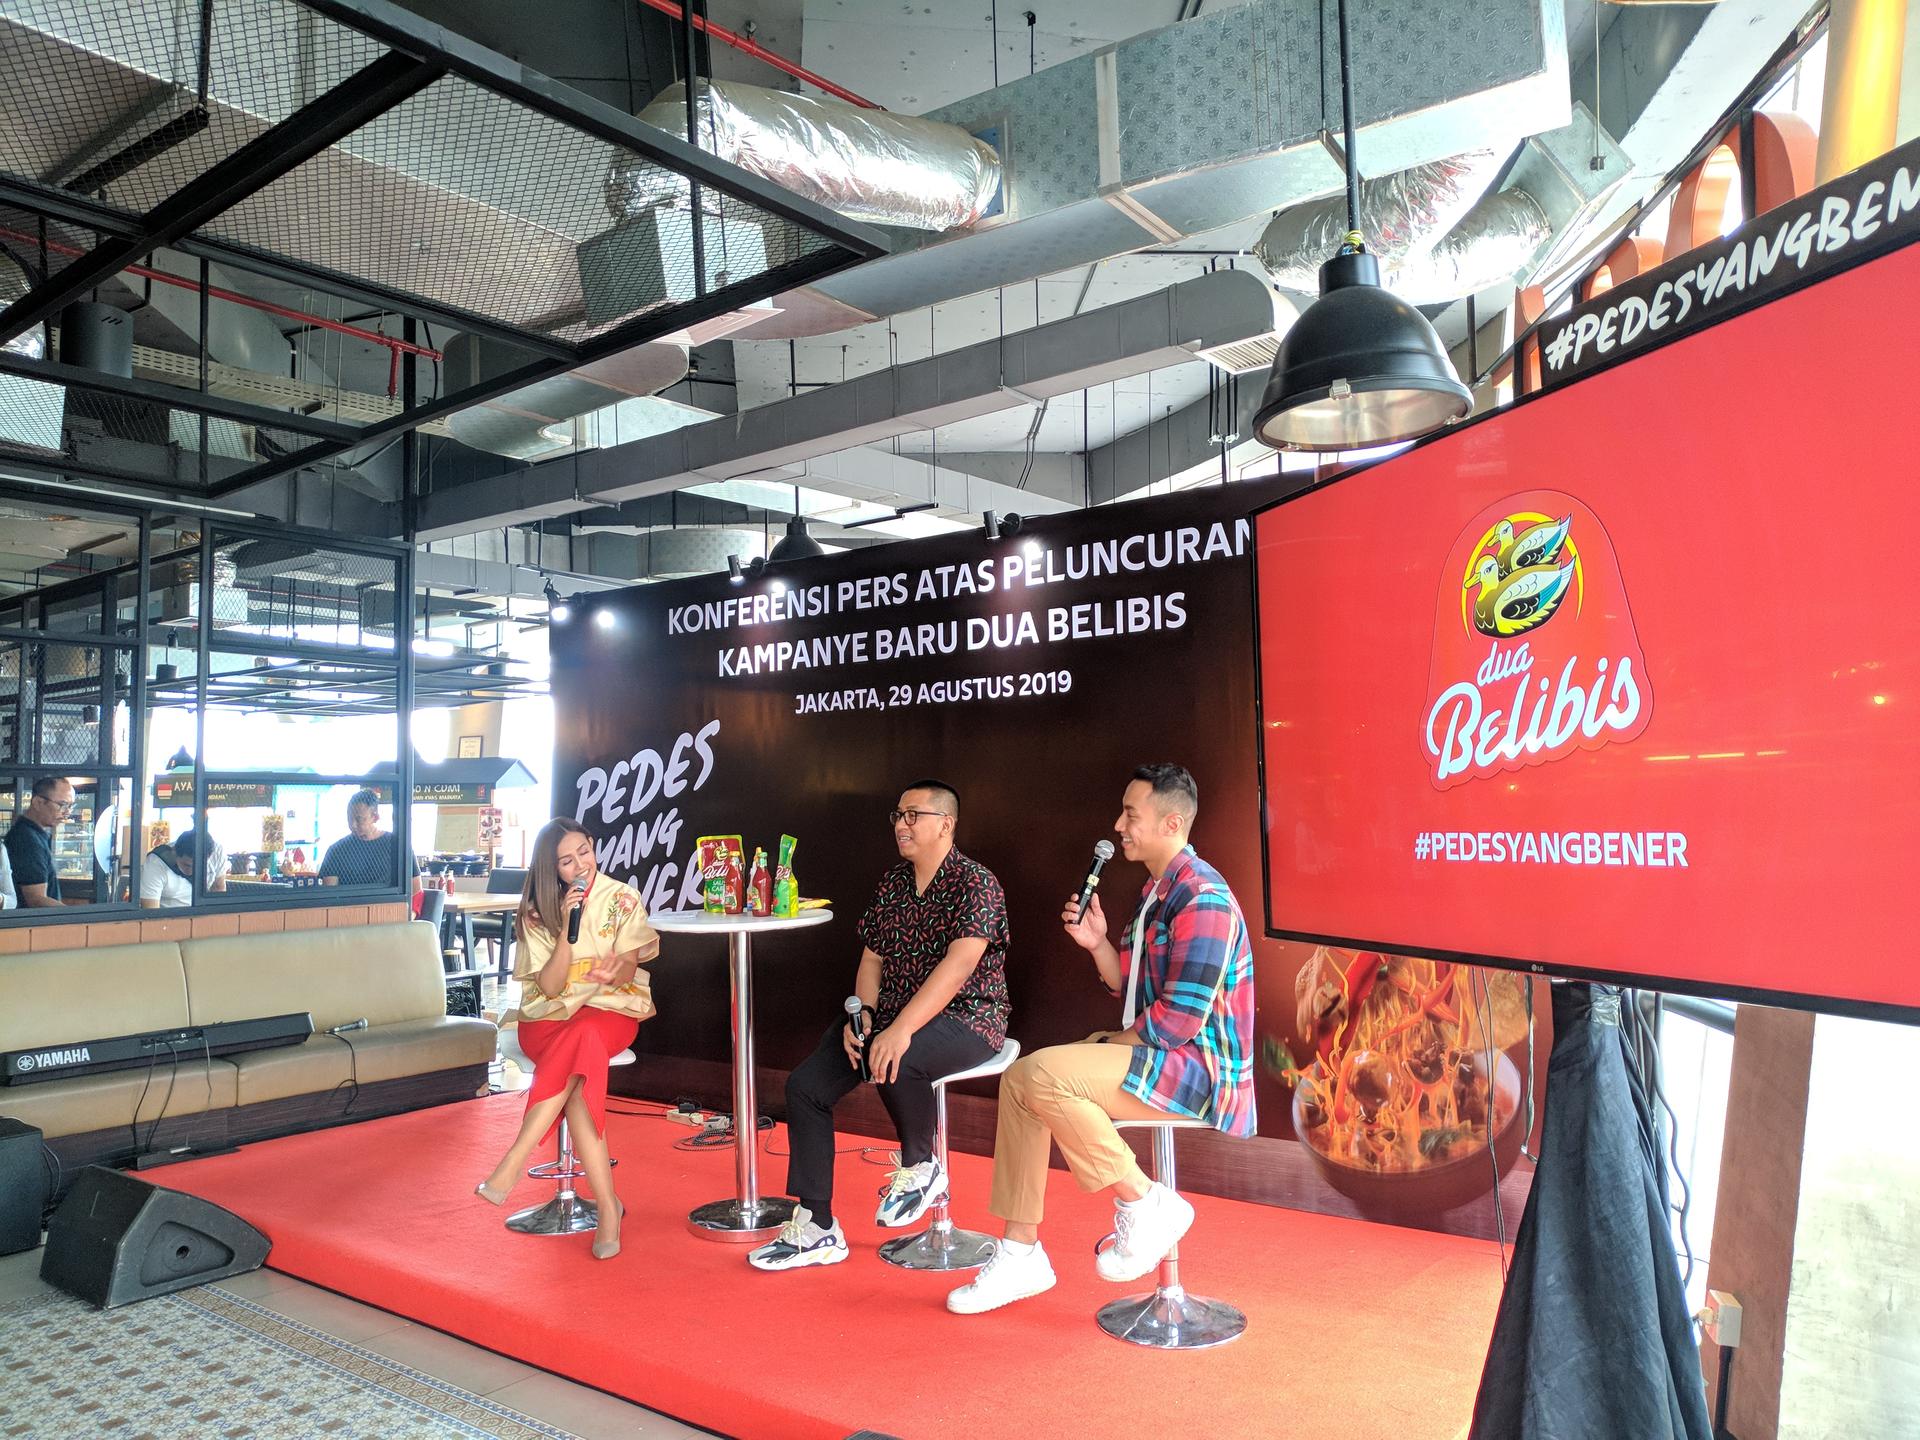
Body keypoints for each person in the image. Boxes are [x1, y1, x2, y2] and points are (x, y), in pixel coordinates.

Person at [947, 763, 1256, 1315]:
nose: (1118, 825)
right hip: (1161, 1054)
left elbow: (1177, 1024)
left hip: (1199, 1071)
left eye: (1131, 815)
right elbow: (1132, 988)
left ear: (1172, 823)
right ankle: (1020, 1253)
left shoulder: (1202, 896)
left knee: (1043, 1074)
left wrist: (1111, 1044)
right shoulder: (1158, 890)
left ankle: (1144, 1202)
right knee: (1020, 1081)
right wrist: (1096, 944)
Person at [749, 779, 1010, 1273]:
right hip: (890, 1015)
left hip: (971, 1017)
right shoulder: (893, 882)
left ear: (946, 824)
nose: (901, 825)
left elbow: (958, 967)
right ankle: (817, 1226)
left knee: (898, 1057)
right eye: (898, 815)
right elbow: (871, 960)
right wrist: (864, 1016)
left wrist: (899, 1029)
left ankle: (921, 1164)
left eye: (914, 815)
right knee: (805, 1087)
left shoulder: (976, 882)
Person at [474, 818, 657, 1261]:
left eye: (584, 852)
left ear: (593, 846)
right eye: (566, 861)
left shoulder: (623, 897)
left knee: (587, 1034)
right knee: (580, 1061)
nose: (580, 865)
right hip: (549, 1020)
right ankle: (608, 1208)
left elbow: (630, 966)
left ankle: (515, 1159)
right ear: (552, 868)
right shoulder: (537, 910)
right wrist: (564, 933)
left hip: (610, 1011)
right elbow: (551, 987)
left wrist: (614, 970)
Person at [317, 789, 418, 889]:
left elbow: (415, 886)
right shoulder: (336, 850)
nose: (353, 824)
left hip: (389, 900)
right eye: (349, 818)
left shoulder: (398, 845)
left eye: (359, 819)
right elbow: (329, 892)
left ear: (375, 817)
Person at [5, 776, 75, 908]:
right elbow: (36, 899)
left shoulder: (33, 833)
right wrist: (75, 916)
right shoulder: (26, 839)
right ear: (38, 802)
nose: (67, 812)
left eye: (71, 806)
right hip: (30, 921)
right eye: (63, 805)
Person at [139, 830, 204, 908]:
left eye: (199, 866)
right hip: (170, 914)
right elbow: (150, 910)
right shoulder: (155, 863)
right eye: (187, 865)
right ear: (174, 852)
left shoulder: (214, 853)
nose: (193, 872)